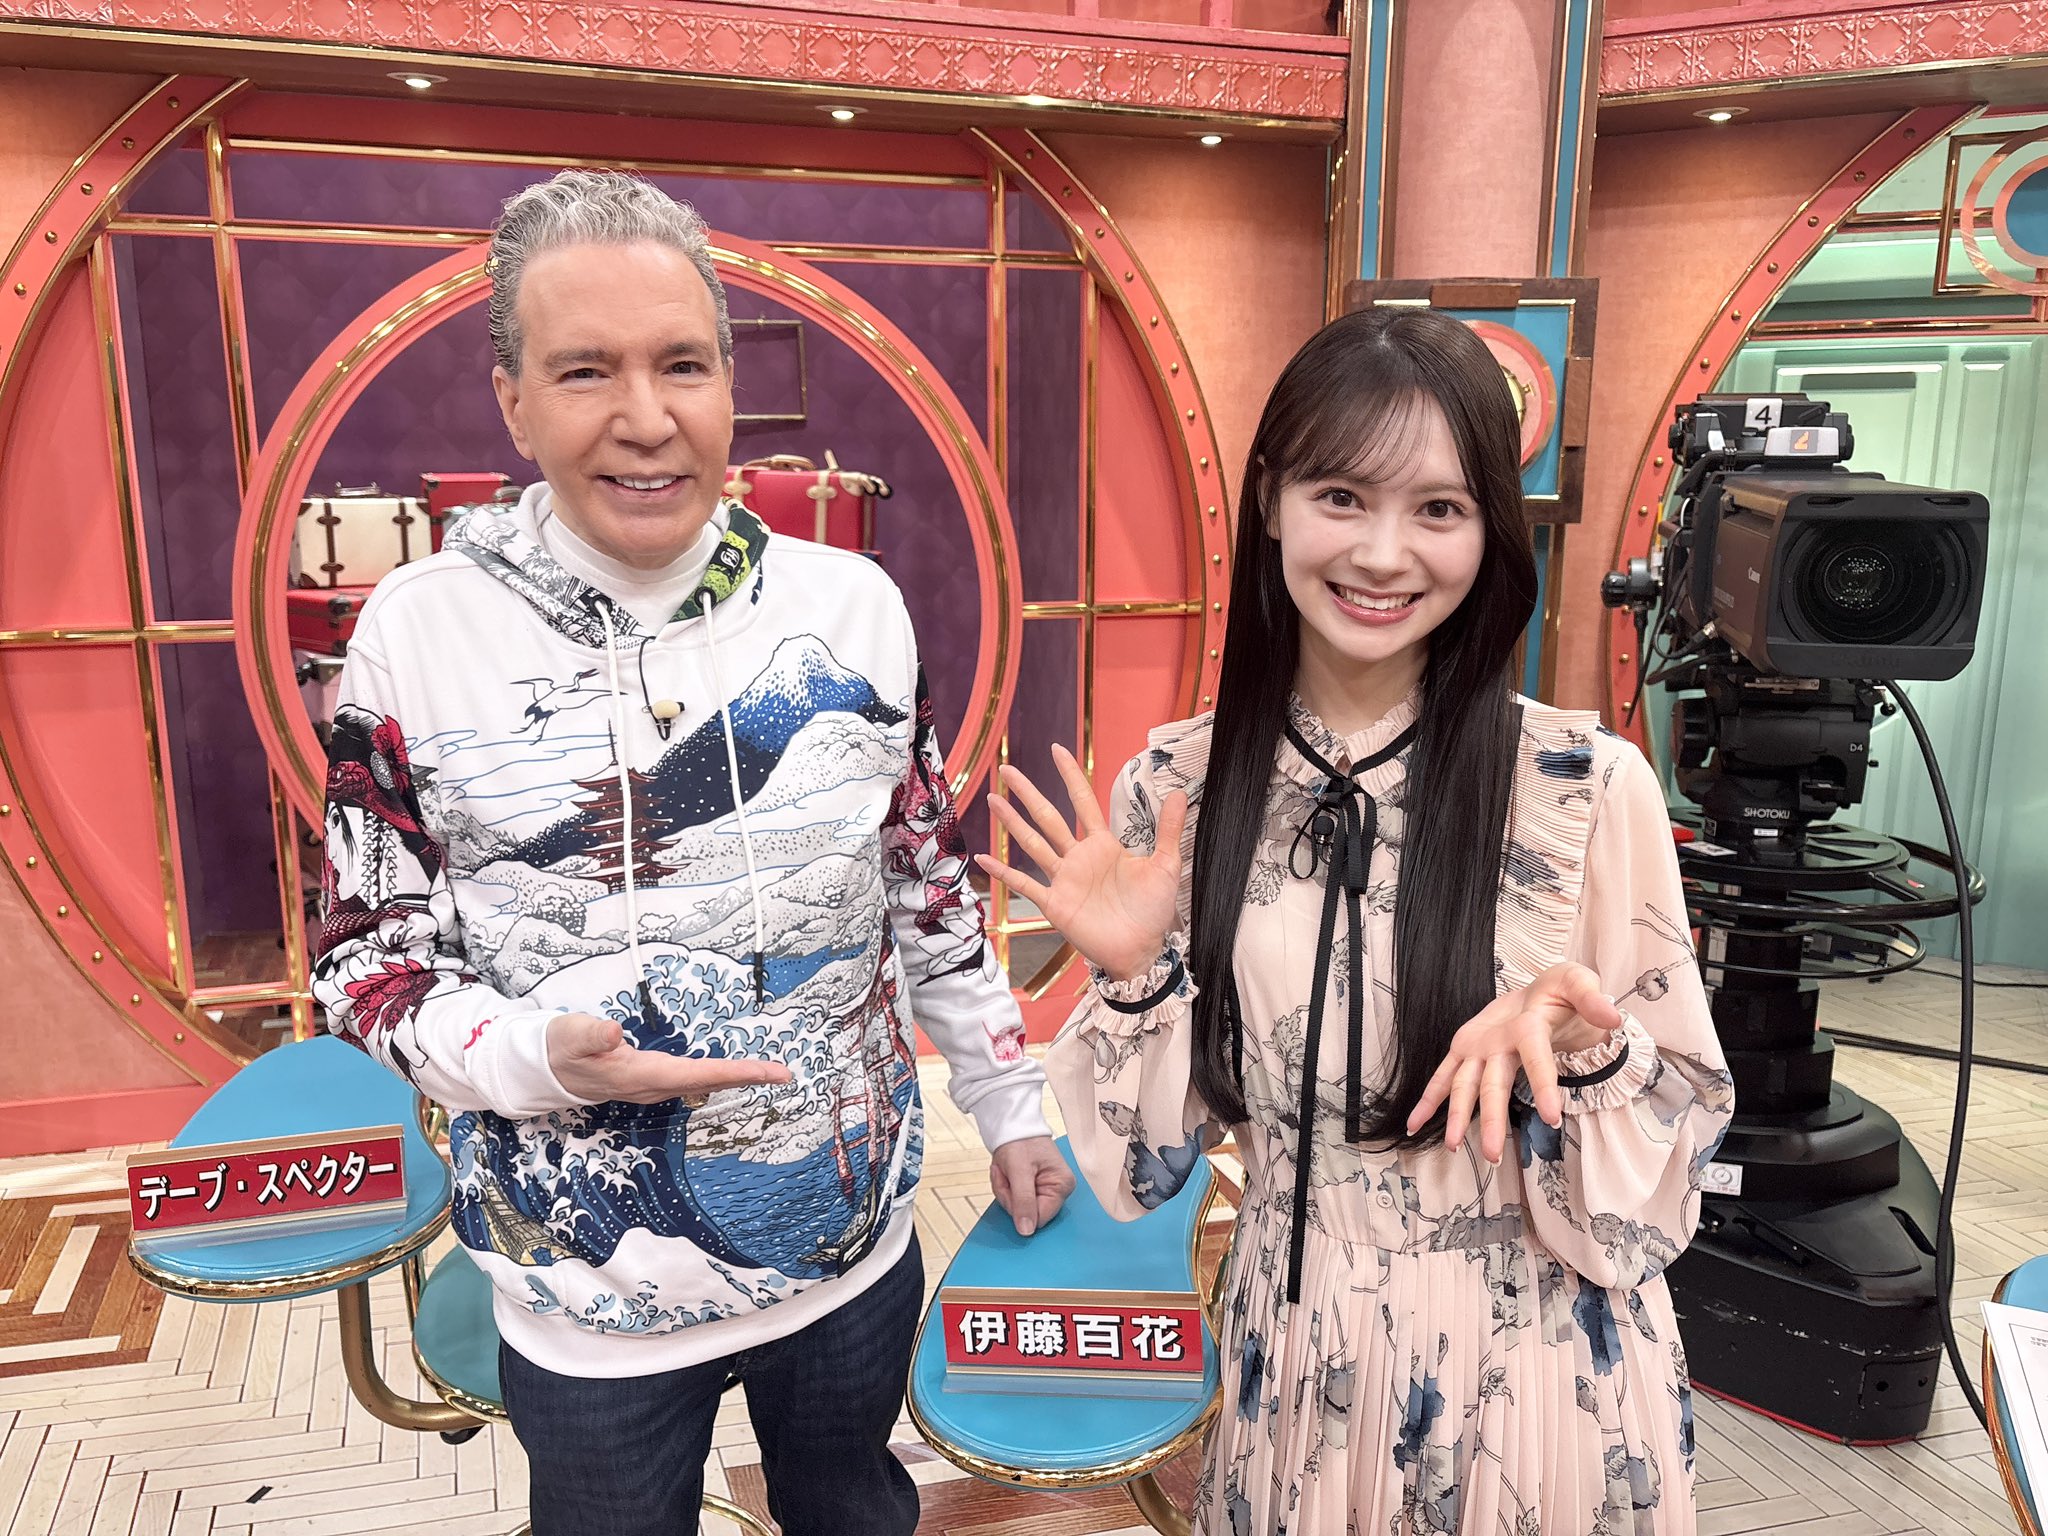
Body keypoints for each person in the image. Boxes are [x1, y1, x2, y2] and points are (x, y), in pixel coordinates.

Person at [313, 168, 1072, 1536]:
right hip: (582, 1294)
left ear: (730, 382)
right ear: (513, 401)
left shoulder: (853, 605)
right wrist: (535, 1057)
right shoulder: (415, 634)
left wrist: (1010, 1107)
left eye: (681, 364)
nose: (646, 418)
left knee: (854, 1514)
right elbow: (365, 963)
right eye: (585, 371)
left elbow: (925, 888)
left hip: (849, 1249)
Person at [978, 307, 1734, 1534]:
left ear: (1488, 532)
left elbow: (1659, 1200)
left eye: (1437, 509)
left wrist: (1587, 1048)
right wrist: (1131, 980)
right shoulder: (1175, 791)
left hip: (1535, 1376)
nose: (1383, 554)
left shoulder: (1582, 792)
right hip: (1294, 1351)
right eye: (1341, 495)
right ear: (1271, 500)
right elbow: (1141, 1177)